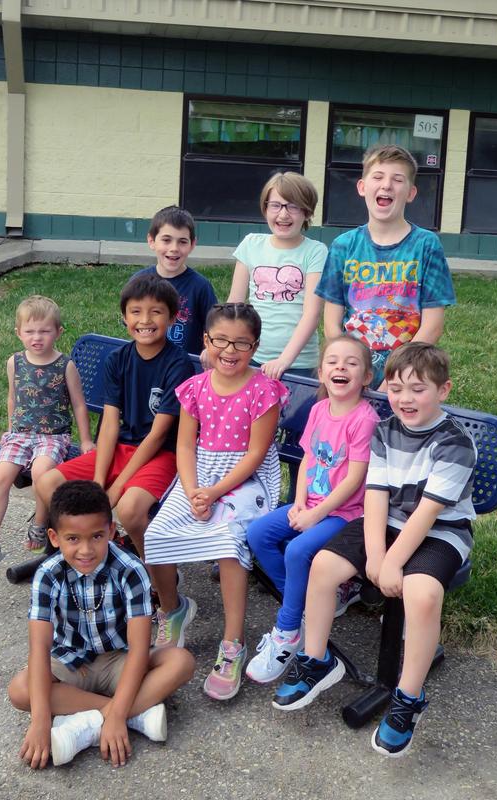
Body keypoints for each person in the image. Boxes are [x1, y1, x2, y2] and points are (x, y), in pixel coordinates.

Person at [273, 343, 476, 760]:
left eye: (418, 389)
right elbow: (376, 497)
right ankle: (316, 659)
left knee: (422, 594)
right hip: (386, 523)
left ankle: (408, 698)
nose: (405, 399)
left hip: (441, 532)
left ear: (444, 390)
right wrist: (376, 555)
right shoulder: (385, 431)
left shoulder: (455, 443)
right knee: (324, 565)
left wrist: (390, 562)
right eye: (396, 389)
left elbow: (427, 513)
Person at [144, 302, 288, 701]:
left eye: (241, 343)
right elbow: (185, 446)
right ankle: (173, 608)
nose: (229, 350)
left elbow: (256, 454)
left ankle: (233, 643)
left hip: (246, 480)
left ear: (255, 346)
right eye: (220, 340)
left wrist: (215, 492)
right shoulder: (195, 387)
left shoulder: (264, 390)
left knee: (228, 542)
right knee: (155, 534)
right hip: (197, 475)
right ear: (206, 341)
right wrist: (193, 489)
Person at [8, 480, 195, 769]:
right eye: (73, 539)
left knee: (180, 661)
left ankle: (89, 724)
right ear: (54, 538)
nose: (85, 550)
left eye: (96, 536)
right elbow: (40, 648)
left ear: (111, 531)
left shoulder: (130, 570)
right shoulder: (48, 574)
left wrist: (116, 717)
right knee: (20, 690)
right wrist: (40, 721)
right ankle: (132, 714)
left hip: (119, 660)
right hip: (70, 661)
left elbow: (138, 649)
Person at [245, 335, 379, 684]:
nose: (340, 367)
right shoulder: (319, 409)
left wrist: (315, 515)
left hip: (345, 513)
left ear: (366, 377)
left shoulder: (363, 419)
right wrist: (301, 501)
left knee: (297, 550)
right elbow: (307, 459)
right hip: (311, 504)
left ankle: (288, 630)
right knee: (257, 534)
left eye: (351, 363)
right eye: (333, 361)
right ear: (321, 373)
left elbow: (355, 479)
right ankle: (306, 603)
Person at [37, 274, 194, 558]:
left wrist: (117, 487)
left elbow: (159, 434)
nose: (145, 320)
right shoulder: (117, 360)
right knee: (48, 483)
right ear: (124, 317)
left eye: (156, 312)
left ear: (172, 318)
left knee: (129, 509)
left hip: (161, 455)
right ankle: (98, 551)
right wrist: (99, 484)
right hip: (122, 447)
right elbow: (110, 423)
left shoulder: (178, 365)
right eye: (136, 311)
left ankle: (154, 570)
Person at [0, 296, 94, 577]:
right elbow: (13, 398)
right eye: (30, 331)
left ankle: (39, 524)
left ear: (58, 332)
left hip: (53, 436)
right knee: (0, 477)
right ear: (18, 333)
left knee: (40, 471)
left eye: (45, 331)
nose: (37, 337)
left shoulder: (65, 365)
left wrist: (85, 440)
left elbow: (79, 405)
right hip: (21, 435)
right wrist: (11, 429)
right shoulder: (15, 362)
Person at [315, 144, 456, 391]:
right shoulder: (343, 246)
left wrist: (394, 379)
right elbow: (331, 324)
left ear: (411, 193)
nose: (387, 185)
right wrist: (346, 369)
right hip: (352, 371)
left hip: (407, 373)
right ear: (362, 187)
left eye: (398, 179)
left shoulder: (426, 245)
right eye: (378, 177)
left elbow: (432, 326)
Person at [226, 172, 327, 379]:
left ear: (307, 211)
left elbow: (312, 314)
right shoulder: (251, 244)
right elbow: (234, 304)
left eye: (293, 206)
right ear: (265, 208)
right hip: (251, 355)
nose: (283, 214)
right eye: (276, 205)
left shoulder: (316, 251)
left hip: (299, 363)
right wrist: (224, 345)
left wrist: (284, 361)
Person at [133, 205, 217, 355]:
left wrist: (209, 350)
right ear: (151, 241)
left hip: (186, 365)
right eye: (166, 240)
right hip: (147, 360)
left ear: (192, 244)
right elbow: (132, 322)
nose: (174, 248)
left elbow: (215, 328)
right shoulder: (138, 282)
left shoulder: (201, 287)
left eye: (182, 242)